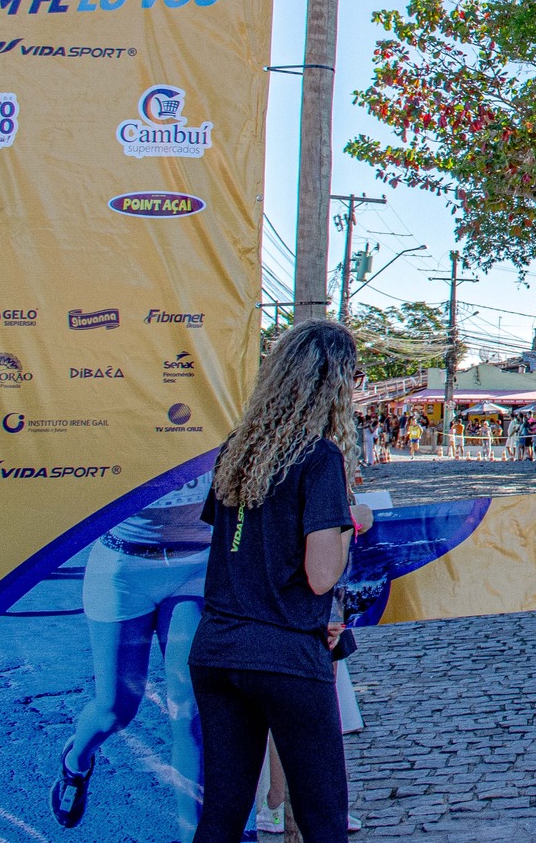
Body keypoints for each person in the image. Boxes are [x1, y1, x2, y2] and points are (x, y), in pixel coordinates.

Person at [189, 320, 373, 843]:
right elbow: (320, 576)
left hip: (218, 648)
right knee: (322, 819)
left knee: (222, 816)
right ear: (334, 384)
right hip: (286, 654)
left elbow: (236, 551)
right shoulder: (320, 459)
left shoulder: (237, 452)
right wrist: (351, 521)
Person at [52, 470, 211, 838]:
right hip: (123, 568)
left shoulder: (221, 413)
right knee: (116, 709)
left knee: (189, 713)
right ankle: (76, 762)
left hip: (196, 568)